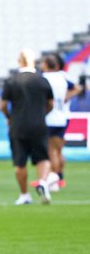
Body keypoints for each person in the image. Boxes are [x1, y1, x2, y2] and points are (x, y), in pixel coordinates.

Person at [0, 49, 54, 205]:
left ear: (19, 61)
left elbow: (2, 105)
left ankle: (24, 194)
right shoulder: (42, 80)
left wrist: (9, 117)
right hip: (39, 124)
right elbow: (51, 104)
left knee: (20, 162)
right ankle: (42, 182)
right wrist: (42, 114)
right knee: (43, 157)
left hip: (18, 125)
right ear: (34, 61)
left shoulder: (11, 80)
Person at [41, 54, 81, 191]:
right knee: (58, 151)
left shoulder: (45, 79)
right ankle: (58, 177)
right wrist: (66, 98)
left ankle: (53, 178)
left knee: (50, 152)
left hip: (49, 118)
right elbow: (77, 88)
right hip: (61, 118)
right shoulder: (62, 78)